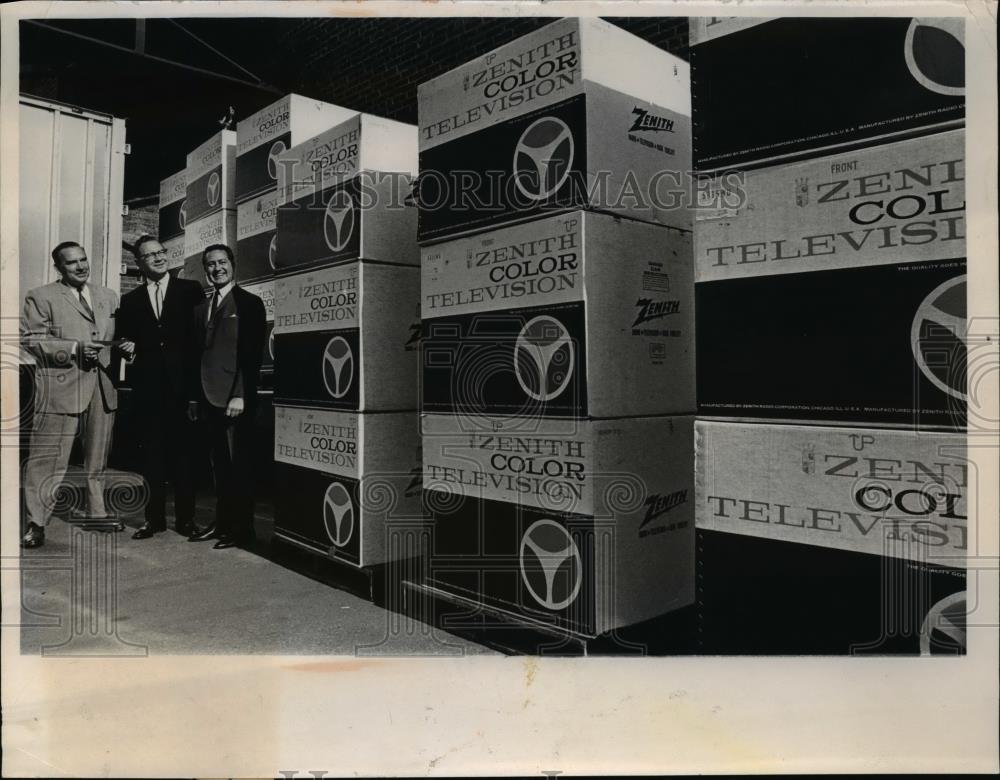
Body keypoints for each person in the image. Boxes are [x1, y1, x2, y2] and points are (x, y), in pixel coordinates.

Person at [20, 241, 121, 548]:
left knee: (97, 459)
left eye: (83, 259)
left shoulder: (107, 295)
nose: (81, 266)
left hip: (102, 387)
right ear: (59, 268)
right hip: (61, 388)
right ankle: (36, 522)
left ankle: (97, 513)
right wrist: (74, 349)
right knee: (47, 460)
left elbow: (115, 335)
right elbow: (32, 339)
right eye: (71, 263)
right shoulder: (41, 296)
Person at [115, 235, 206, 539]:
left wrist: (195, 394)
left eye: (161, 252)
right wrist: (125, 346)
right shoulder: (130, 300)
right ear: (138, 263)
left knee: (184, 458)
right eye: (149, 255)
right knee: (152, 459)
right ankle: (153, 520)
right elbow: (125, 340)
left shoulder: (190, 290)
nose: (158, 258)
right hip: (149, 392)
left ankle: (186, 520)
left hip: (184, 392)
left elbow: (200, 342)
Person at [188, 244, 266, 550]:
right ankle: (222, 523)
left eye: (222, 262)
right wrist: (195, 399)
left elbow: (251, 355)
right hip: (207, 400)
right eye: (210, 264)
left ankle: (241, 530)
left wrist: (240, 395)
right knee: (219, 468)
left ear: (232, 265)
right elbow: (197, 358)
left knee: (239, 468)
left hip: (235, 400)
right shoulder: (200, 308)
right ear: (205, 269)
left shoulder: (249, 303)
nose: (216, 268)